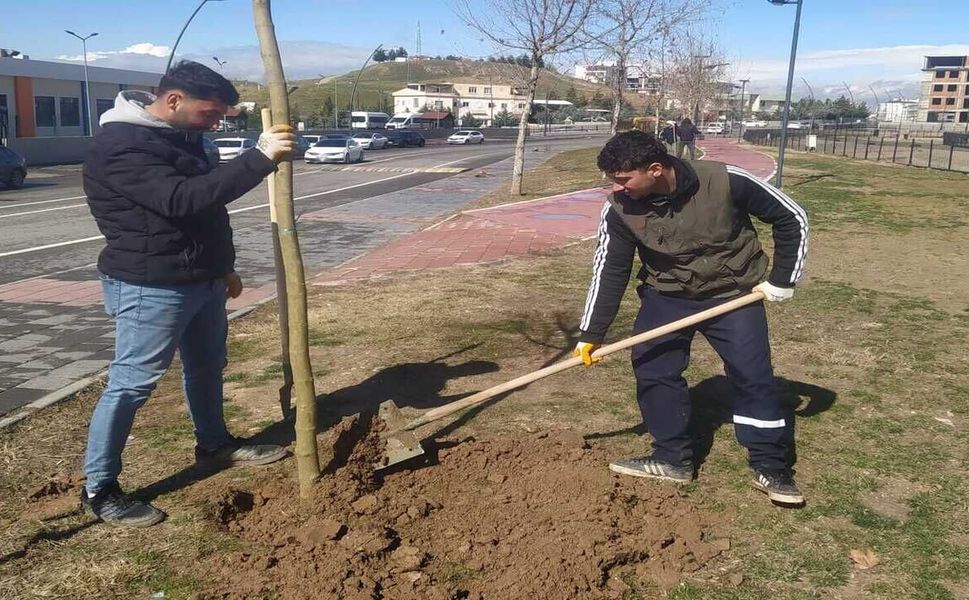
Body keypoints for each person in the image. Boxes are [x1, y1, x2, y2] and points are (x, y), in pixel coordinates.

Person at [81, 61, 296, 527]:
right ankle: (100, 488)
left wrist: (223, 267)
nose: (215, 124)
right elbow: (181, 200)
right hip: (151, 284)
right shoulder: (120, 145)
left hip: (202, 279)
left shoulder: (183, 136)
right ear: (174, 100)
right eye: (210, 113)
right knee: (132, 383)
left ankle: (214, 444)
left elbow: (208, 212)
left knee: (207, 366)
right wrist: (259, 158)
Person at [573, 131, 809, 506]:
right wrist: (592, 332)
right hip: (667, 296)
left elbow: (791, 218)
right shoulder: (620, 208)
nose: (617, 188)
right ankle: (672, 458)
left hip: (733, 295)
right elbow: (610, 271)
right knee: (654, 370)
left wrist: (782, 280)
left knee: (753, 377)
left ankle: (771, 465)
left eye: (623, 179)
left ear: (654, 169)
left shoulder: (724, 180)